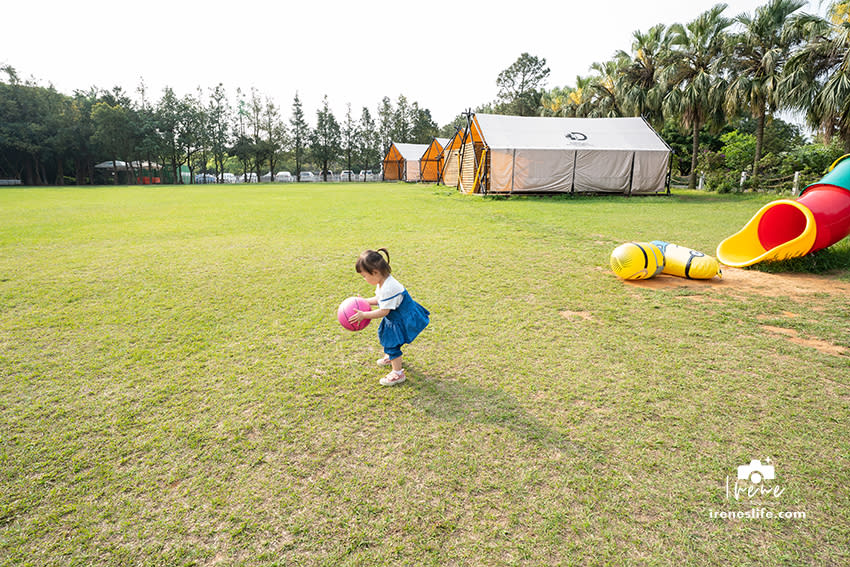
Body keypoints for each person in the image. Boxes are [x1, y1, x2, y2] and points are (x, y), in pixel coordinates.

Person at [348, 248, 430, 386]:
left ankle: (397, 373)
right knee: (387, 339)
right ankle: (391, 358)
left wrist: (364, 315)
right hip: (395, 317)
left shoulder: (389, 287)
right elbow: (380, 299)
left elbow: (383, 311)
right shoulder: (383, 282)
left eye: (364, 276)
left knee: (392, 343)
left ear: (375, 272)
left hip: (402, 319)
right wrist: (366, 301)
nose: (364, 279)